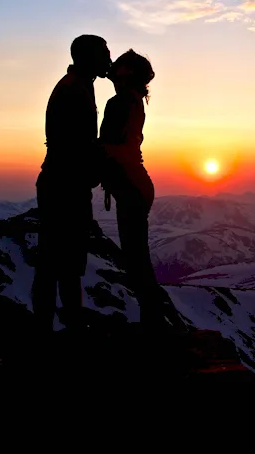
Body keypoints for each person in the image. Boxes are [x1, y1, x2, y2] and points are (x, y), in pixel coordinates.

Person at [32, 34, 111, 340]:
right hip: (65, 184)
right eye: (104, 54)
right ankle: (58, 331)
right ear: (89, 57)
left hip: (63, 181)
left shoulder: (79, 85)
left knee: (61, 260)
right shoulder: (74, 89)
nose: (109, 60)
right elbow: (73, 144)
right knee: (59, 261)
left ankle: (58, 328)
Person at [99, 49, 179, 332]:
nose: (112, 70)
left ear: (127, 74)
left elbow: (111, 147)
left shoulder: (119, 102)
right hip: (135, 185)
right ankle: (153, 322)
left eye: (118, 67)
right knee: (137, 259)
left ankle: (154, 325)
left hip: (131, 185)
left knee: (136, 262)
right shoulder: (131, 100)